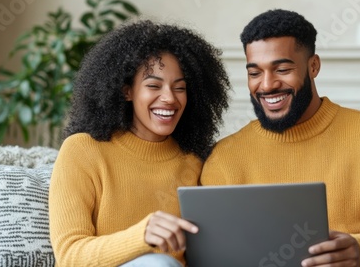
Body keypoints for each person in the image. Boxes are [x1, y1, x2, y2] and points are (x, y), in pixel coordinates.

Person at [201, 9, 360, 267]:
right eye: (255, 73)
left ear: (313, 66)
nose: (267, 85)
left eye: (282, 69)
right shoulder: (224, 157)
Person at [49, 19, 230, 266]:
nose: (169, 98)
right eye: (154, 85)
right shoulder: (82, 150)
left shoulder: (195, 160)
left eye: (180, 88)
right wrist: (141, 235)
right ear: (127, 91)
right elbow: (69, 255)